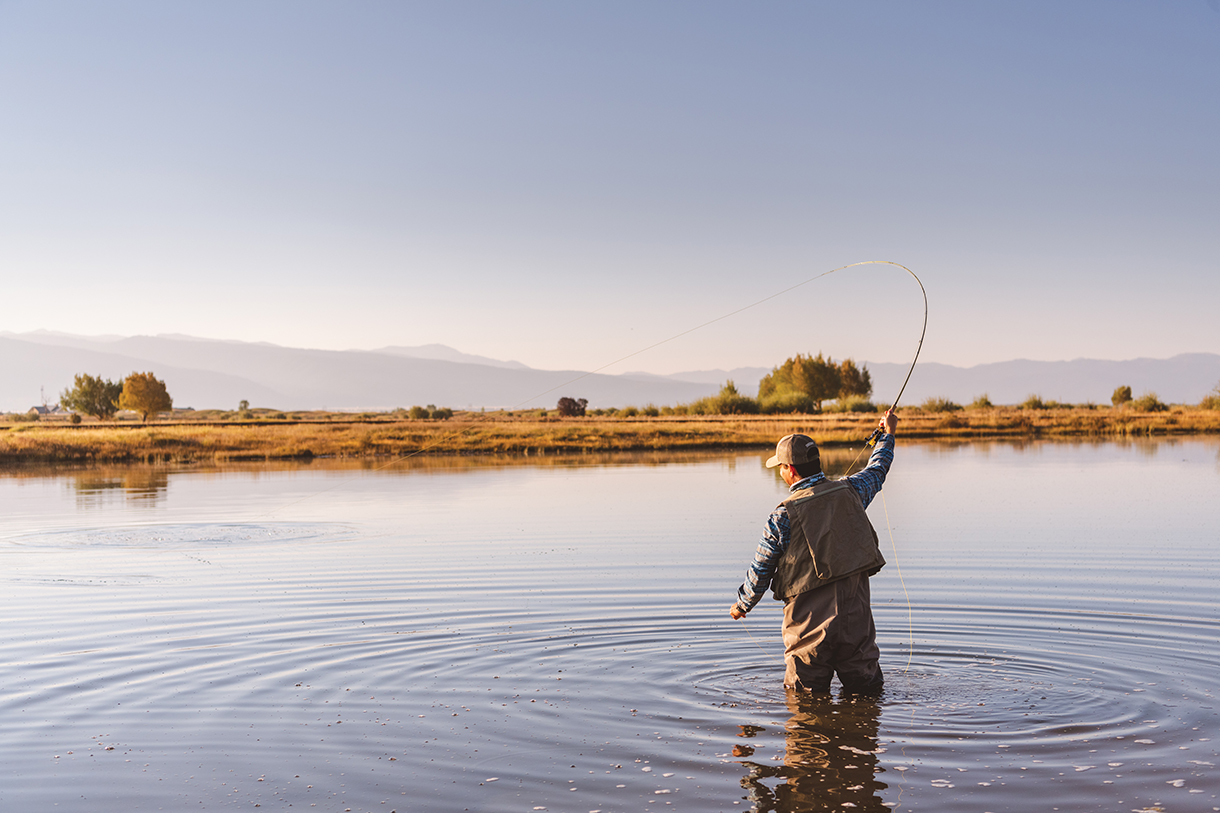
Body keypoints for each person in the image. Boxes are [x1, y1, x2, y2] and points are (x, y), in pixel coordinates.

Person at [730, 410, 898, 693]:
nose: (781, 472)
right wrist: (888, 435)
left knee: (804, 711)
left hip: (808, 634)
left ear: (790, 470)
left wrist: (742, 605)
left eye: (781, 467)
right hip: (856, 628)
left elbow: (760, 572)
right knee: (868, 699)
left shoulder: (782, 517)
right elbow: (878, 469)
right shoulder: (853, 491)